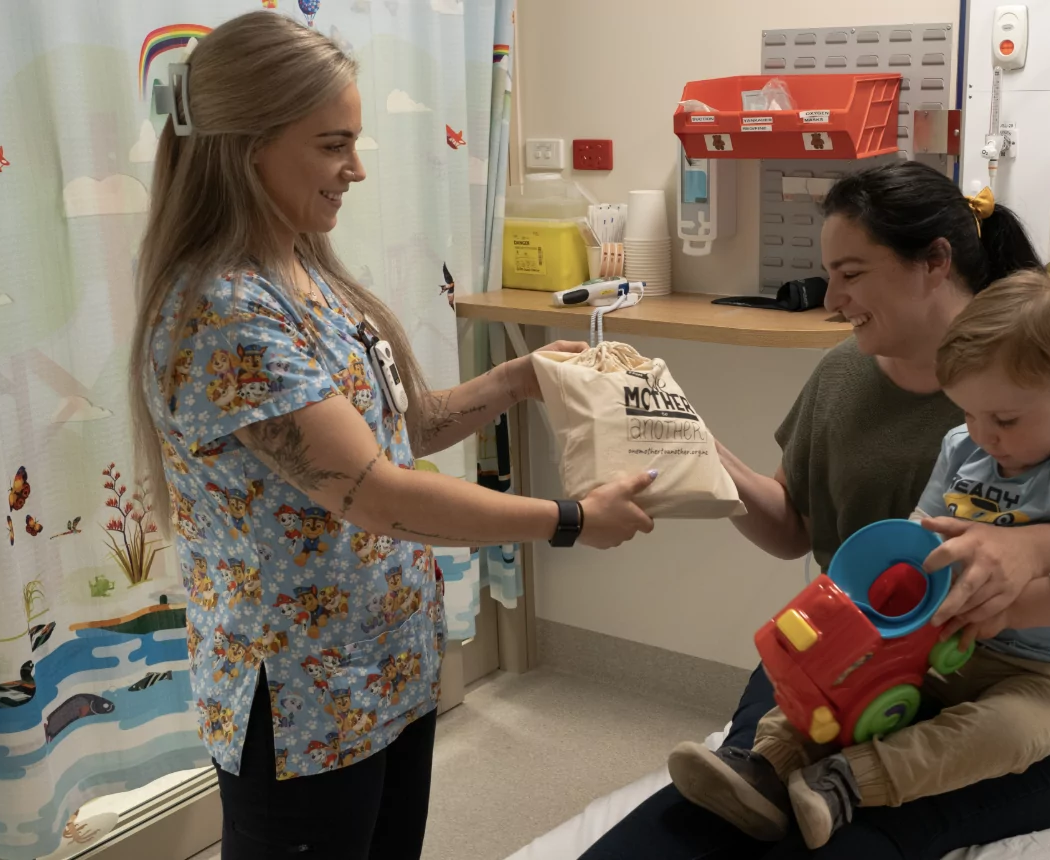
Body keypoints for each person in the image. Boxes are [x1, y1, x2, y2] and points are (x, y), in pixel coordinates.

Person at [127, 13, 655, 860]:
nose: (357, 169)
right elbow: (376, 494)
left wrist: (520, 377)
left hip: (380, 666)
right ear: (248, 146)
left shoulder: (303, 271)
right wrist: (570, 518)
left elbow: (396, 430)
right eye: (333, 144)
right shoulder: (223, 314)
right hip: (303, 701)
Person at [580, 161, 1050, 860]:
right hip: (875, 647)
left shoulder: (1041, 376)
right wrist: (705, 458)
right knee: (707, 815)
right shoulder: (848, 376)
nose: (832, 299)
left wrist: (1036, 550)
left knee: (845, 839)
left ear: (934, 261)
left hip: (1033, 681)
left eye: (852, 273)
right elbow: (793, 528)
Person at [668, 270, 1050, 849]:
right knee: (835, 669)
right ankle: (766, 764)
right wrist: (869, 619)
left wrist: (1009, 610)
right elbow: (917, 541)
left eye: (1004, 419)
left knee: (1000, 733)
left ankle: (850, 782)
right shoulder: (963, 446)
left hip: (1049, 673)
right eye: (969, 412)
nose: (984, 435)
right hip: (946, 644)